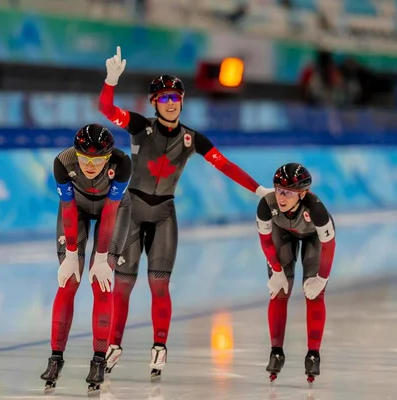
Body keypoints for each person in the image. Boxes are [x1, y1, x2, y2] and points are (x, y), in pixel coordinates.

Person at [97, 46, 271, 379]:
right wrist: (110, 80)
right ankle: (113, 344)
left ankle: (159, 346)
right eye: (164, 98)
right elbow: (106, 109)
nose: (172, 103)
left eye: (176, 97)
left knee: (159, 285)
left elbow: (225, 165)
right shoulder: (139, 126)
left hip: (164, 213)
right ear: (153, 103)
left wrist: (258, 189)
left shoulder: (192, 138)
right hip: (131, 209)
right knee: (123, 285)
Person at [40, 124, 132, 396]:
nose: (90, 166)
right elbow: (68, 208)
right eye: (85, 159)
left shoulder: (122, 163)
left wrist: (102, 257)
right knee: (68, 282)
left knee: (101, 284)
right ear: (75, 154)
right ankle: (55, 358)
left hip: (113, 211)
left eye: (98, 160)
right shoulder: (63, 162)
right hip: (76, 210)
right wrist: (70, 254)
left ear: (109, 157)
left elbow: (110, 212)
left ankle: (98, 360)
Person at [255, 163, 336, 387]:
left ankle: (313, 354)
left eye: (288, 193)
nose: (281, 197)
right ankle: (276, 351)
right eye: (278, 190)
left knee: (314, 293)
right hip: (282, 234)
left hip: (314, 238)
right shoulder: (266, 205)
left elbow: (329, 246)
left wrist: (322, 278)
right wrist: (277, 270)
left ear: (303, 194)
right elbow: (266, 241)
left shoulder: (316, 210)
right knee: (280, 290)